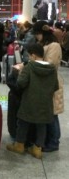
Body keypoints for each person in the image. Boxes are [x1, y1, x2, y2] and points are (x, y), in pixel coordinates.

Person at [6, 43, 58, 159]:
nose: (29, 58)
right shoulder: (52, 69)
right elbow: (55, 86)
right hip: (45, 104)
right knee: (41, 126)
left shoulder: (29, 67)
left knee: (23, 123)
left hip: (29, 102)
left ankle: (19, 145)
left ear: (33, 56)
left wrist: (19, 71)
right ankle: (37, 149)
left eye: (29, 56)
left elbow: (21, 83)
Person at [32, 20, 63, 152]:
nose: (36, 37)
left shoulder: (54, 45)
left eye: (37, 34)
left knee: (52, 113)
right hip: (42, 82)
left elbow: (50, 64)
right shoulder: (42, 44)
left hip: (51, 83)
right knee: (46, 112)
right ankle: (46, 140)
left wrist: (34, 62)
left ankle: (54, 141)